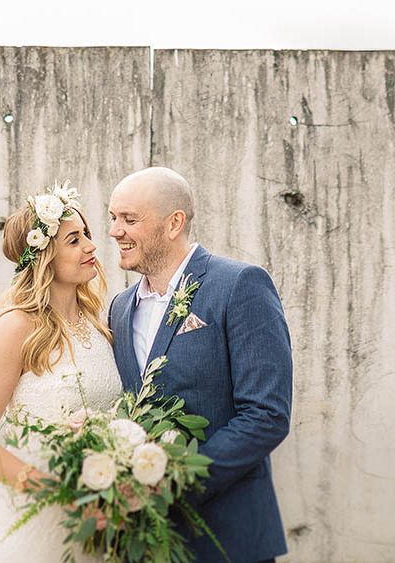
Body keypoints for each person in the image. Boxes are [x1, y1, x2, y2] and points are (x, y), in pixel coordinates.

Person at [108, 167, 293, 563]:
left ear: (174, 223)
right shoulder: (120, 309)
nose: (115, 231)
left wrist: (174, 481)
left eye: (129, 219)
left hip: (228, 536)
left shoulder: (240, 284)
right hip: (145, 540)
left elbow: (266, 414)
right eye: (113, 218)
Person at [0, 181, 122, 562]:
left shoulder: (98, 326)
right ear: (43, 255)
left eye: (87, 235)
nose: (91, 246)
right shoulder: (15, 329)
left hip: (93, 529)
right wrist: (64, 495)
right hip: (31, 531)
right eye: (74, 240)